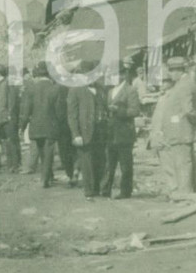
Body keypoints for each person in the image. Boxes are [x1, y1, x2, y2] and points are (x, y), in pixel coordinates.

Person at [152, 57, 196, 195]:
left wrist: (179, 120)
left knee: (182, 165)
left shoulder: (184, 85)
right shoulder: (181, 84)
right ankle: (184, 194)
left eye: (171, 72)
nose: (170, 75)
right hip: (177, 132)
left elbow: (188, 110)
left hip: (181, 132)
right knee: (180, 165)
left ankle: (185, 196)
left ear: (178, 71)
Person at [20, 61, 67, 188]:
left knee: (42, 152)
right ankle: (45, 178)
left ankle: (47, 176)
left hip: (35, 125)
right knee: (49, 152)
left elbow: (26, 111)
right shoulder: (55, 88)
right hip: (51, 124)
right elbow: (59, 111)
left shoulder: (30, 89)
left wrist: (22, 127)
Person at [67, 60, 108, 200]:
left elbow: (104, 108)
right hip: (84, 132)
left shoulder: (101, 89)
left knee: (100, 159)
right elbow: (72, 115)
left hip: (100, 130)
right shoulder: (75, 90)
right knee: (86, 162)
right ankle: (89, 190)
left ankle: (99, 188)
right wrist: (75, 134)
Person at [102, 63, 141, 198]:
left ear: (124, 75)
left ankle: (125, 191)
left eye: (117, 74)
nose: (114, 77)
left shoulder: (130, 90)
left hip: (125, 132)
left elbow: (135, 111)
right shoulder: (110, 92)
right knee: (109, 163)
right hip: (111, 132)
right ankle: (106, 189)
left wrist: (118, 110)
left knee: (125, 165)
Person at [0, 64, 21, 172]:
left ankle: (13, 165)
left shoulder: (4, 84)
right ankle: (15, 163)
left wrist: (4, 116)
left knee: (10, 141)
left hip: (6, 117)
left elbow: (3, 102)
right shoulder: (6, 83)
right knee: (12, 140)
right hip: (9, 116)